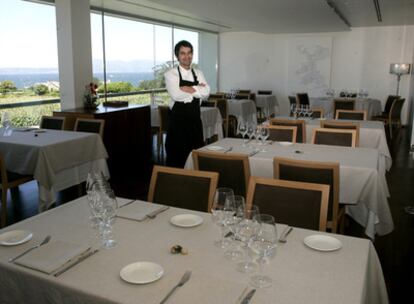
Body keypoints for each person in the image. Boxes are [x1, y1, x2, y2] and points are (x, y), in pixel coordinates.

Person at [164, 40, 210, 167]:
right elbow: (176, 95)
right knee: (176, 158)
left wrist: (189, 89)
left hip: (195, 122)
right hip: (177, 124)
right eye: (183, 53)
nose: (186, 56)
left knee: (195, 157)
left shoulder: (198, 73)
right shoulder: (171, 74)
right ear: (177, 56)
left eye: (189, 53)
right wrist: (197, 89)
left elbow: (207, 93)